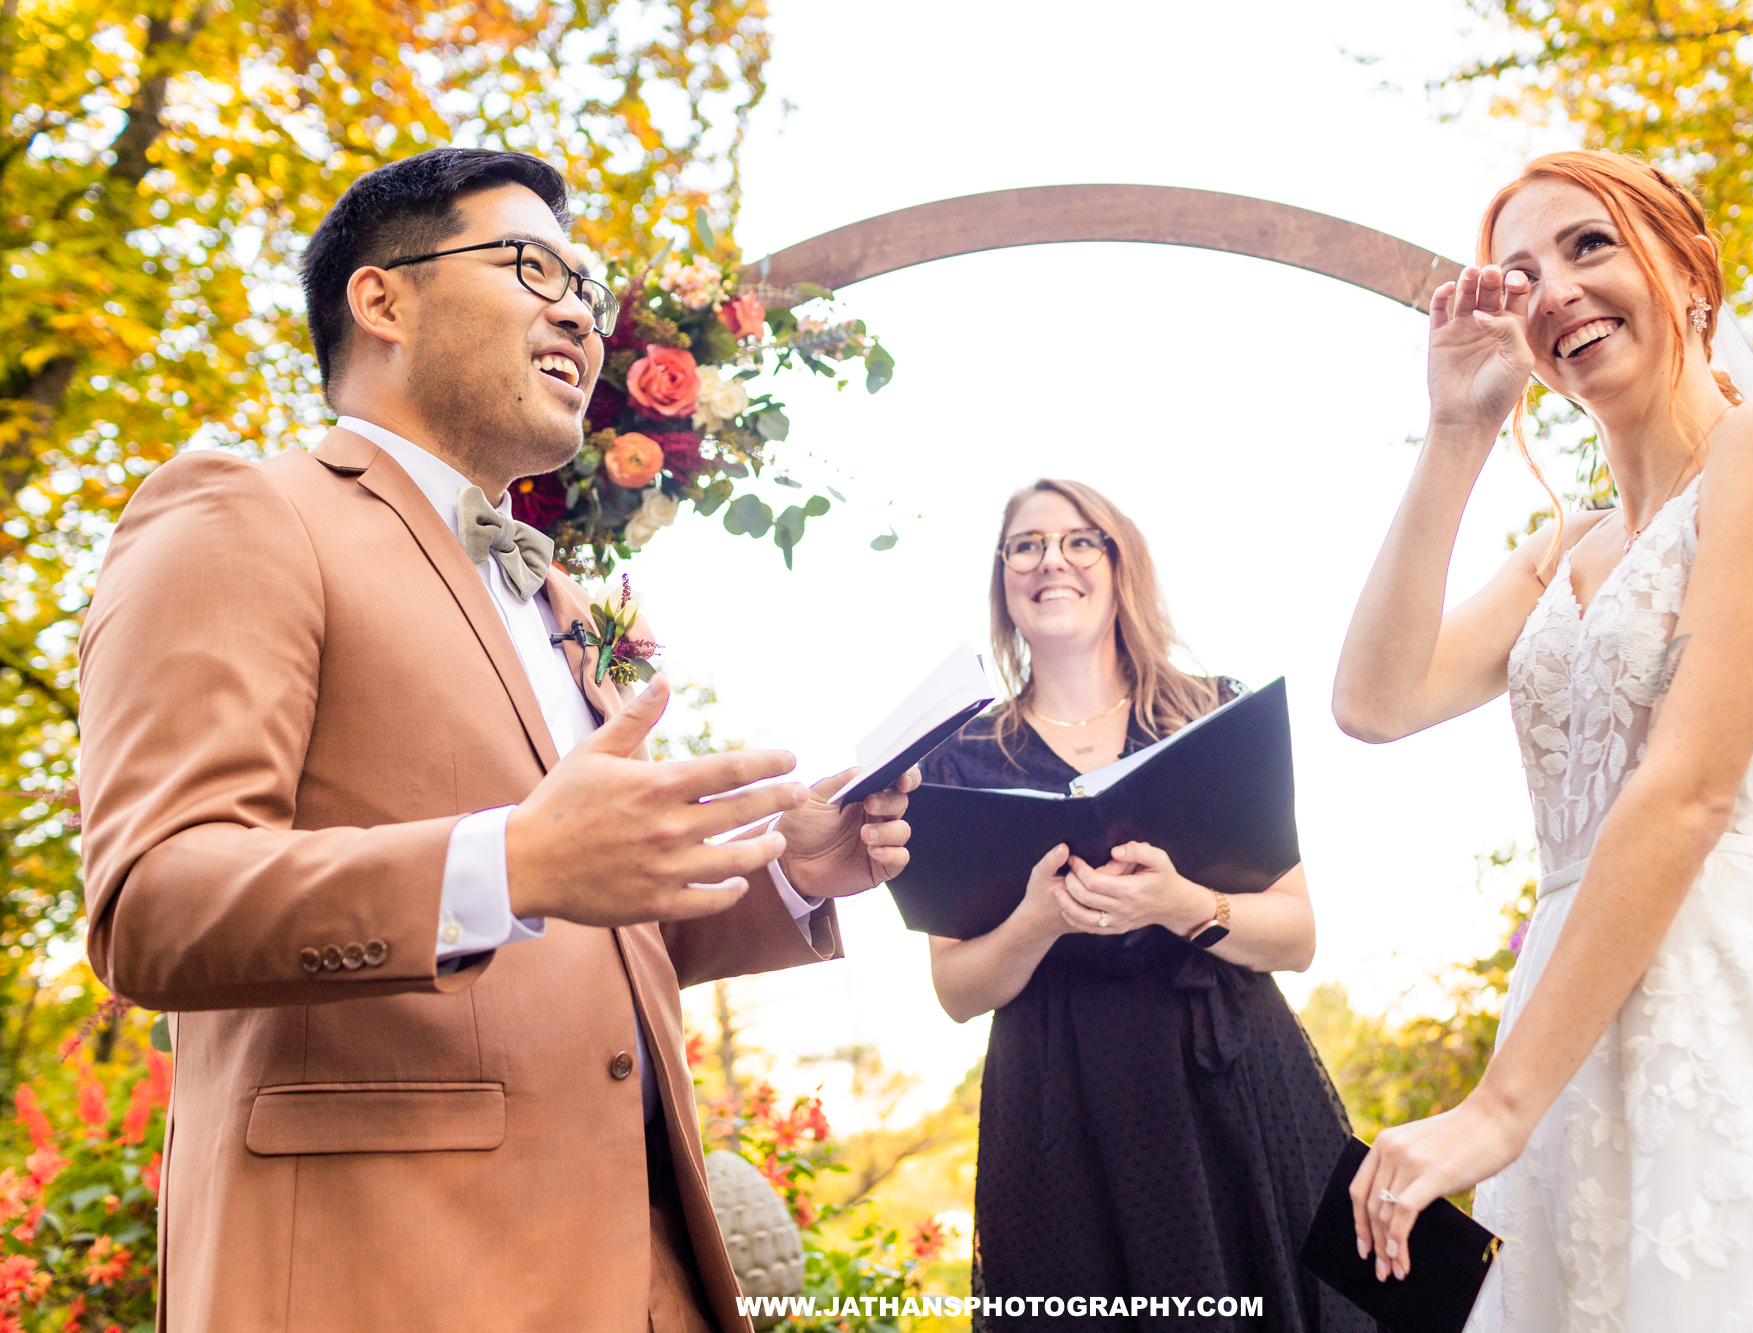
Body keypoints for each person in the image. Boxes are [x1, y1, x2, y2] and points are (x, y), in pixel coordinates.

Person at [77, 147, 918, 1333]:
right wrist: (505, 863)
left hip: (643, 1267)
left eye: (587, 283)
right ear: (382, 299)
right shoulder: (243, 513)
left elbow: (579, 948)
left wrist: (790, 870)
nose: (579, 304)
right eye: (531, 266)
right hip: (393, 1277)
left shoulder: (560, 600)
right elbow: (153, 902)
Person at [1332, 149, 1753, 1327]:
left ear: (1687, 266)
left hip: (1726, 998)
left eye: (1589, 245)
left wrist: (1494, 1108)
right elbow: (1374, 702)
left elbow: (1688, 787)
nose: (1556, 292)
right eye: (1521, 274)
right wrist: (1453, 433)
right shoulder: (1559, 551)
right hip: (1569, 1021)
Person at [921, 479, 1374, 1331]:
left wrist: (1182, 903)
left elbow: (1297, 933)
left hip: (1230, 1083)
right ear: (1003, 582)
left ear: (1120, 564)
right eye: (1026, 544)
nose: (1051, 558)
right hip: (1062, 1105)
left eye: (1079, 539)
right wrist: (1040, 919)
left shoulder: (1211, 712)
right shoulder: (958, 758)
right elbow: (954, 988)